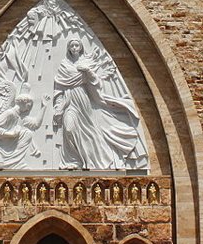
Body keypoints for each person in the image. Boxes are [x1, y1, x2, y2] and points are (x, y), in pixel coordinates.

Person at [53, 38, 147, 170]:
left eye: (76, 45)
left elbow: (96, 82)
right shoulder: (64, 65)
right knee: (69, 129)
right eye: (72, 46)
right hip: (69, 101)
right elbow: (59, 87)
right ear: (68, 48)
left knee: (88, 131)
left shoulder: (86, 63)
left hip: (84, 101)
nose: (74, 48)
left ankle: (94, 160)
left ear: (80, 48)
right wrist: (59, 107)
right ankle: (73, 161)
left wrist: (88, 71)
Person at [0, 94, 45, 170]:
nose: (29, 109)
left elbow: (36, 124)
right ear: (24, 101)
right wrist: (11, 134)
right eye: (29, 105)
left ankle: (15, 163)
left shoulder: (21, 118)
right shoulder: (9, 113)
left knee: (27, 133)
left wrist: (44, 107)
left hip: (7, 147)